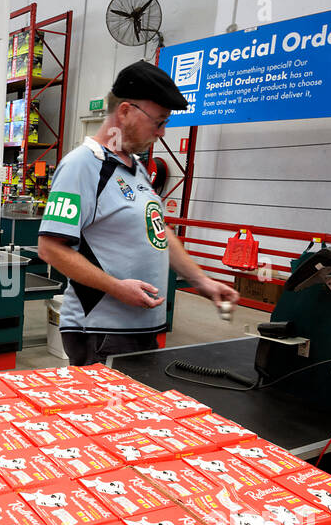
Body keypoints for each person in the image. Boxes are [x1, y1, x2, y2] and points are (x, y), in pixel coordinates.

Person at [37, 60, 239, 365]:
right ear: (126, 111)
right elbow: (51, 249)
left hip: (139, 326)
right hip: (102, 330)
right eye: (158, 122)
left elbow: (159, 232)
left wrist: (202, 281)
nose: (161, 133)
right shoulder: (83, 165)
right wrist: (117, 288)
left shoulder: (135, 168)